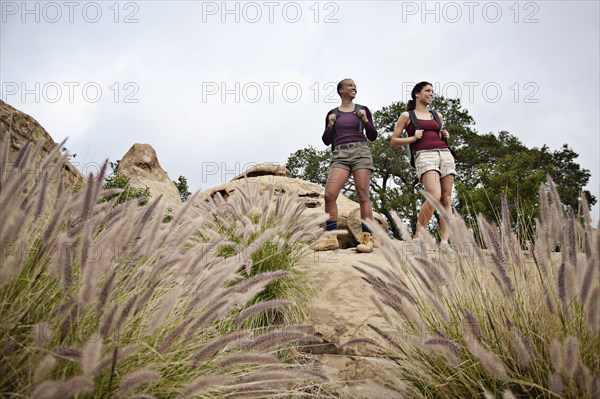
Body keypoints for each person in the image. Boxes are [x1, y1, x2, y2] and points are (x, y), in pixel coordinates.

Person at [312, 78, 378, 253]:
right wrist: (330, 125)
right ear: (341, 90)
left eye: (355, 85)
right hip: (340, 155)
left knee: (362, 194)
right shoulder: (333, 113)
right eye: (350, 85)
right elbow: (326, 140)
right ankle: (331, 238)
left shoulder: (362, 110)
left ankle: (367, 239)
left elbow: (372, 135)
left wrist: (365, 121)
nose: (354, 87)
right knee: (329, 194)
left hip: (360, 152)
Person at [390, 81, 456, 250]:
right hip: (425, 155)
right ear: (417, 94)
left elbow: (439, 135)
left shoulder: (437, 115)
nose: (431, 93)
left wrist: (444, 134)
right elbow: (394, 140)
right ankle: (419, 236)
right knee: (433, 195)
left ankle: (444, 243)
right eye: (427, 90)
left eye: (433, 91)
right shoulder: (407, 116)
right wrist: (412, 138)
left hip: (445, 154)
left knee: (446, 199)